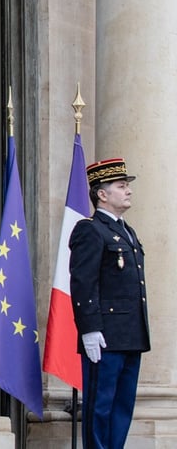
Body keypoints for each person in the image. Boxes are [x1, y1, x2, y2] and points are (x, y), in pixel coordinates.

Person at [69, 158, 149, 449]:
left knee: (122, 407)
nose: (128, 191)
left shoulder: (127, 231)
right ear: (102, 194)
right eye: (121, 186)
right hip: (104, 336)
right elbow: (82, 282)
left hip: (130, 335)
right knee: (100, 406)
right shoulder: (90, 229)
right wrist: (89, 328)